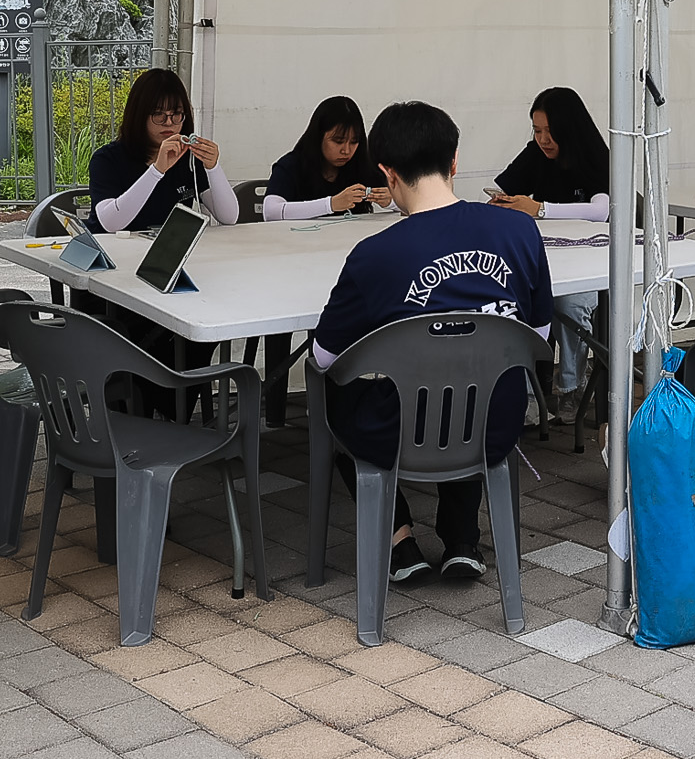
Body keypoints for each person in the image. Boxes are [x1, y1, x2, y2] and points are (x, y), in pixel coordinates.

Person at [311, 101, 551, 586]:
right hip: (496, 423)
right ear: (455, 161)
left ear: (386, 172)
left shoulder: (374, 254)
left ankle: (399, 539)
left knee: (336, 392)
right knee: (472, 379)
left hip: (400, 434)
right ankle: (462, 537)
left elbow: (323, 357)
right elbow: (539, 338)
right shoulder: (521, 230)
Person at [488, 87, 609, 425]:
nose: (543, 139)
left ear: (568, 129)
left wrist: (539, 209)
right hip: (541, 258)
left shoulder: (595, 156)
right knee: (512, 300)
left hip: (589, 262)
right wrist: (503, 203)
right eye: (537, 130)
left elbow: (600, 211)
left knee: (568, 304)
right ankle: (525, 397)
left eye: (549, 131)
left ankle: (572, 387)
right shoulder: (535, 155)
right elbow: (506, 191)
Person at [86, 68, 239, 231]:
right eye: (158, 114)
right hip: (111, 249)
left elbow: (229, 217)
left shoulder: (189, 159)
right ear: (138, 116)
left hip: (164, 250)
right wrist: (157, 171)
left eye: (176, 114)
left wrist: (213, 167)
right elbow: (110, 223)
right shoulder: (107, 159)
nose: (168, 122)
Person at [264, 95, 393, 219]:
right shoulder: (291, 166)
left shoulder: (363, 164)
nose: (346, 150)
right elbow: (271, 212)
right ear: (318, 137)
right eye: (338, 141)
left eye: (354, 141)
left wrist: (391, 201)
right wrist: (331, 204)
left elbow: (409, 203)